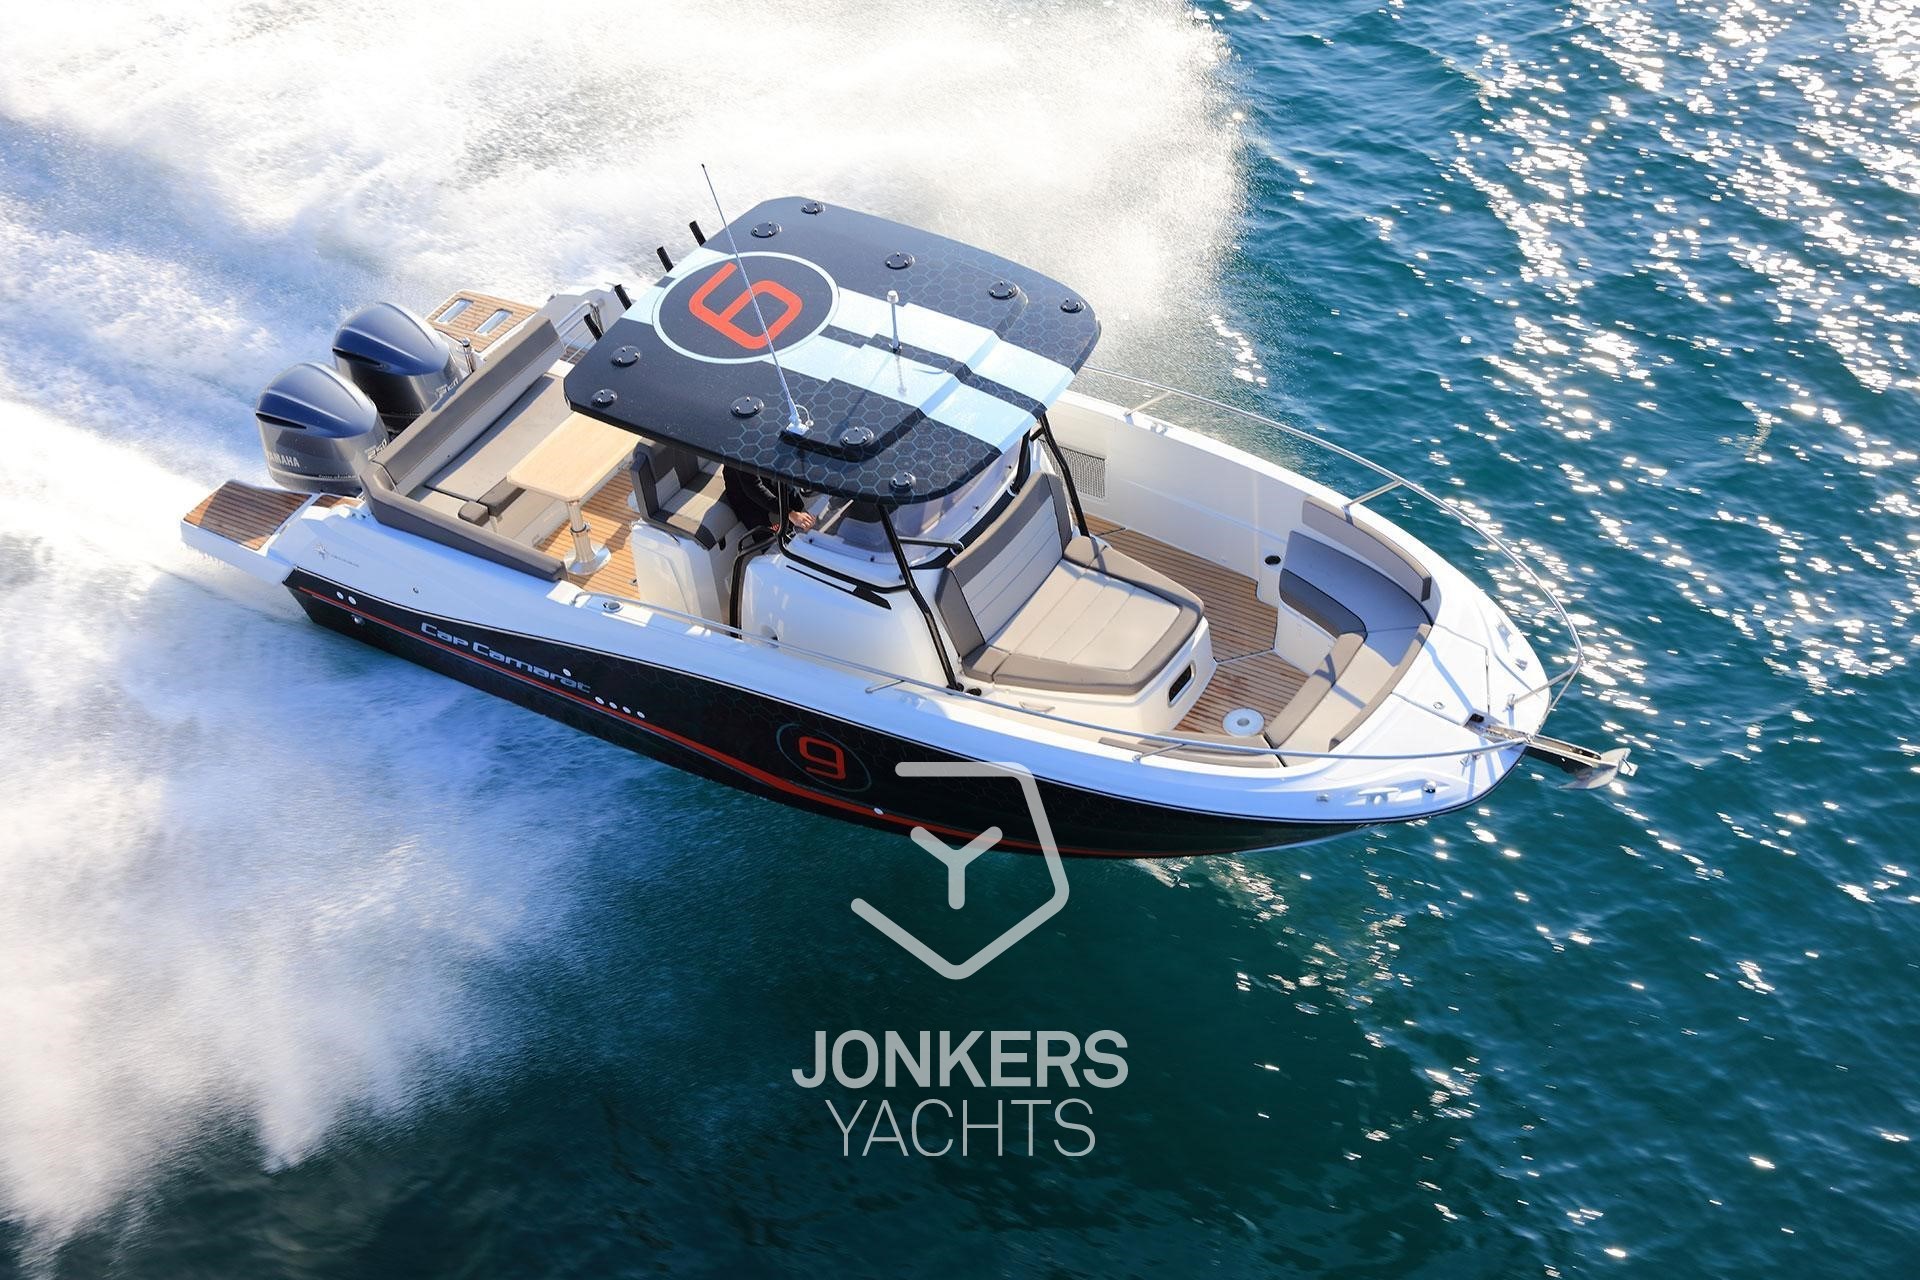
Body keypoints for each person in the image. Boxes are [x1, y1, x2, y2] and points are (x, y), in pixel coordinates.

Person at [722, 466, 814, 532]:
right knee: (763, 534)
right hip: (745, 493)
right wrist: (790, 513)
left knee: (797, 505)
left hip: (769, 474)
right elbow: (753, 488)